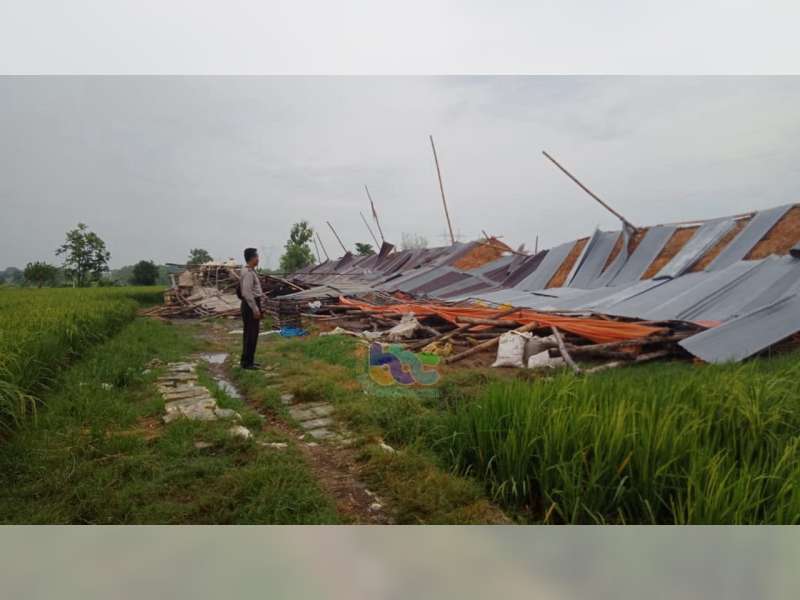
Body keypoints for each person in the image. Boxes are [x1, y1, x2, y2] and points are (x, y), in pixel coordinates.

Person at [239, 247, 263, 369]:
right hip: (250, 305)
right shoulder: (248, 273)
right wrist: (255, 308)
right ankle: (247, 363)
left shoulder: (249, 271)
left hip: (249, 304)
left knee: (249, 333)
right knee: (251, 334)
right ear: (252, 258)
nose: (258, 259)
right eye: (256, 257)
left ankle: (248, 360)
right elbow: (247, 293)